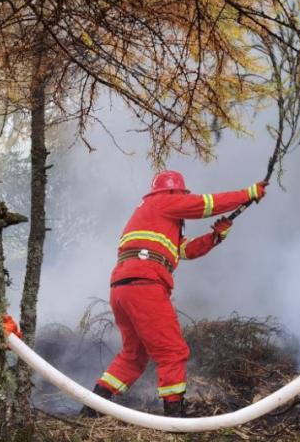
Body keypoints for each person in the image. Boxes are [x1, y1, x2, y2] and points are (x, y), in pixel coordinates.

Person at [83, 172, 267, 417]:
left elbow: (185, 251)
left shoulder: (152, 216)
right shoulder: (163, 201)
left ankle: (91, 409)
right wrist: (247, 194)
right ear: (176, 193)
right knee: (172, 352)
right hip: (145, 285)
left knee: (134, 355)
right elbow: (206, 205)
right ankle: (174, 418)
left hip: (122, 288)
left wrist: (214, 238)